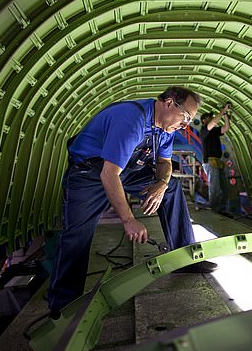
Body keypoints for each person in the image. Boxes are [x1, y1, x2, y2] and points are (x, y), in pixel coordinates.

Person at [48, 86, 217, 316]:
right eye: (185, 117)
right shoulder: (132, 120)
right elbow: (109, 174)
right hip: (89, 172)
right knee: (77, 235)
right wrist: (128, 219)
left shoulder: (166, 128)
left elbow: (165, 163)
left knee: (172, 189)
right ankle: (63, 307)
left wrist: (161, 185)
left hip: (126, 169)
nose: (185, 125)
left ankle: (185, 257)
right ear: (168, 103)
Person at [200, 103, 231, 213]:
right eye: (209, 117)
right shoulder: (204, 130)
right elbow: (214, 122)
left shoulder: (214, 131)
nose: (212, 118)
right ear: (204, 120)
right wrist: (222, 111)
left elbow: (226, 127)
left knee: (224, 188)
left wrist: (226, 115)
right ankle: (214, 209)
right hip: (210, 162)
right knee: (215, 187)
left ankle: (222, 209)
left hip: (218, 161)